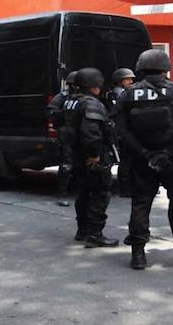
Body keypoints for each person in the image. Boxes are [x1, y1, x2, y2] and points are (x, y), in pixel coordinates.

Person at [113, 49, 173, 270]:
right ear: (166, 69)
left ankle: (138, 256)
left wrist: (144, 153)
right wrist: (168, 153)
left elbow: (122, 131)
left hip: (142, 161)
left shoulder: (127, 95)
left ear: (141, 69)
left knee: (141, 204)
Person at [64, 68, 118, 248]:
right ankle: (95, 234)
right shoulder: (91, 103)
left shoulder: (71, 101)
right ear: (94, 86)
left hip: (77, 155)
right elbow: (91, 133)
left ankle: (83, 230)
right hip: (91, 157)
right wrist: (95, 154)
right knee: (99, 194)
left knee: (83, 193)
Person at [47, 70, 77, 207]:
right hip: (66, 134)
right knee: (66, 164)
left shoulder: (81, 97)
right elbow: (50, 112)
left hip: (80, 133)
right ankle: (62, 193)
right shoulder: (62, 97)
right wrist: (65, 115)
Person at [105, 67, 135, 197]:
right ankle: (126, 188)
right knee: (127, 160)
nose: (131, 82)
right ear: (120, 81)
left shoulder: (111, 93)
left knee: (124, 160)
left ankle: (124, 187)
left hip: (117, 129)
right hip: (123, 130)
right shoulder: (122, 94)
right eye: (128, 79)